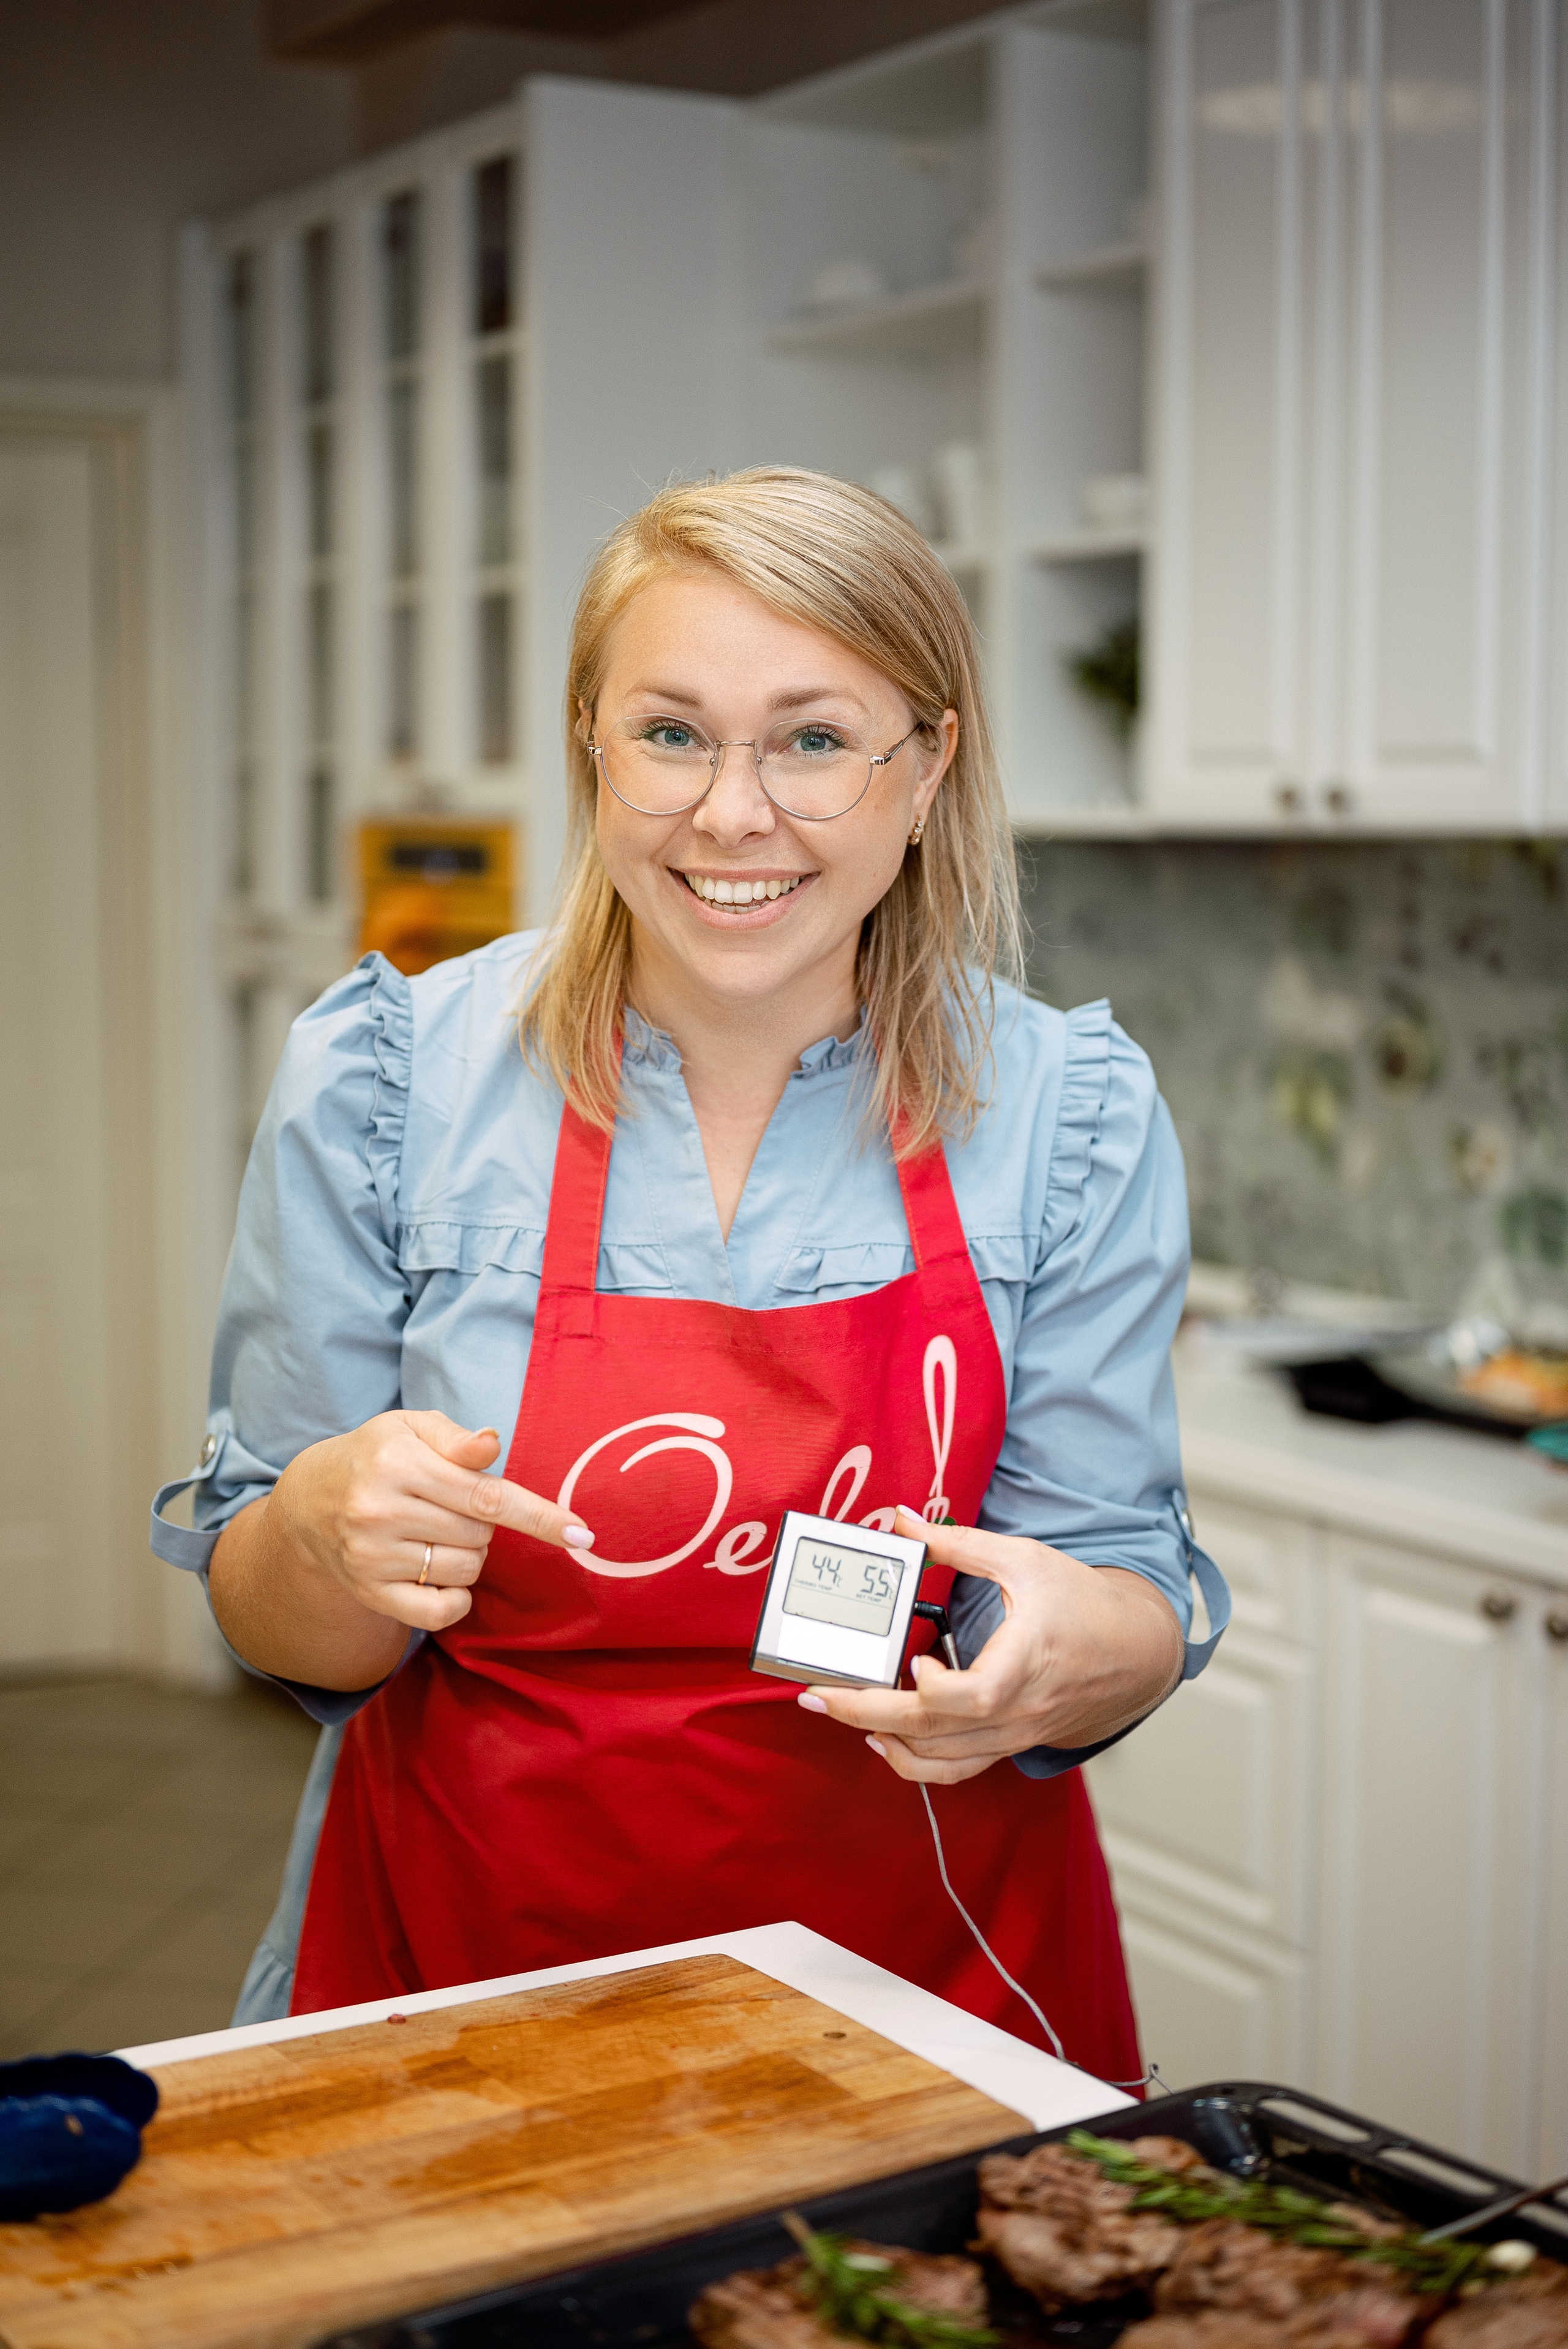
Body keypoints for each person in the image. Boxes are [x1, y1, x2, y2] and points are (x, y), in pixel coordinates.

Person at [151, 466, 1228, 2081]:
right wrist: (311, 1528)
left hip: (923, 2004)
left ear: (929, 764)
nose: (733, 811)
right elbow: (285, 1622)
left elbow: (1126, 1579)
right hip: (462, 1988)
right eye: (671, 732)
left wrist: (1077, 1647)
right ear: (591, 741)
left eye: (812, 737)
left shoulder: (1067, 1117)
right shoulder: (386, 1083)